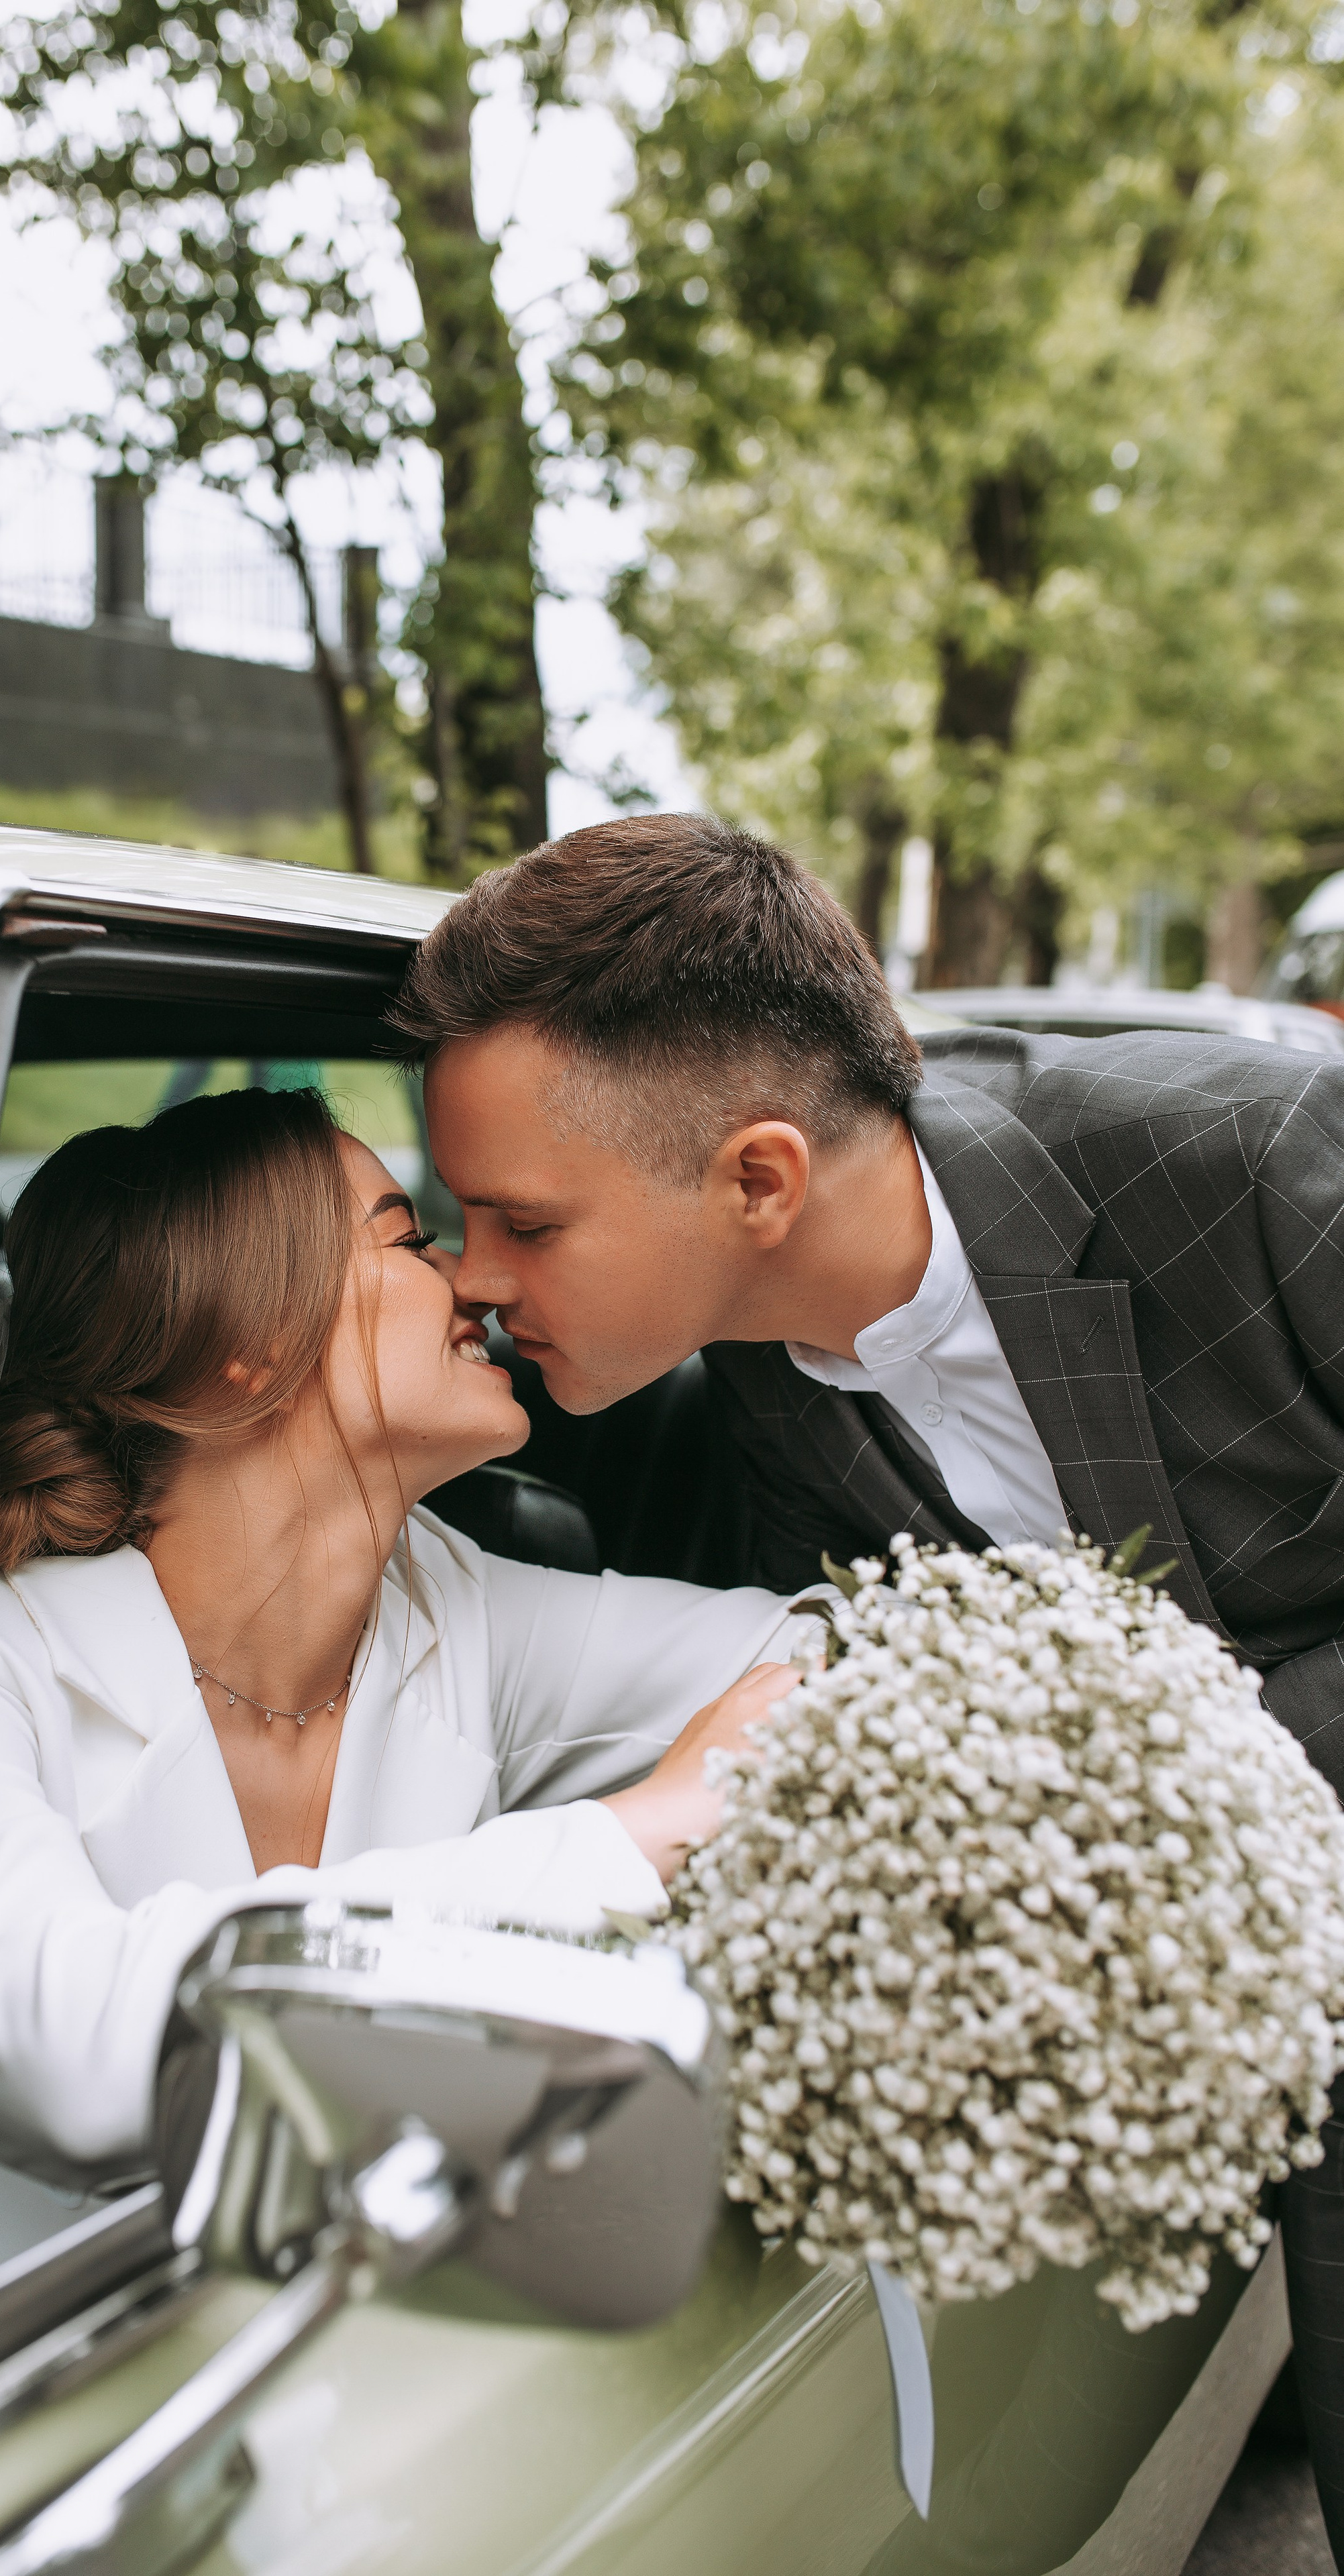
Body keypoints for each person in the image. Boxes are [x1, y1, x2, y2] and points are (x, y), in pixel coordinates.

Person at [396, 808, 1344, 2567]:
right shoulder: (716, 1404)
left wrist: (1238, 1788)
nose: (475, 1276)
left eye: (521, 1221)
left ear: (758, 1181)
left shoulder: (1259, 1165)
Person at [0, 1083, 823, 2337]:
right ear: (246, 1338)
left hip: (271, 2343)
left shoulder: (461, 1615)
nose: (472, 1282)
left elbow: (823, 1652)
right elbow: (64, 2055)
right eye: (410, 1240)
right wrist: (621, 1844)